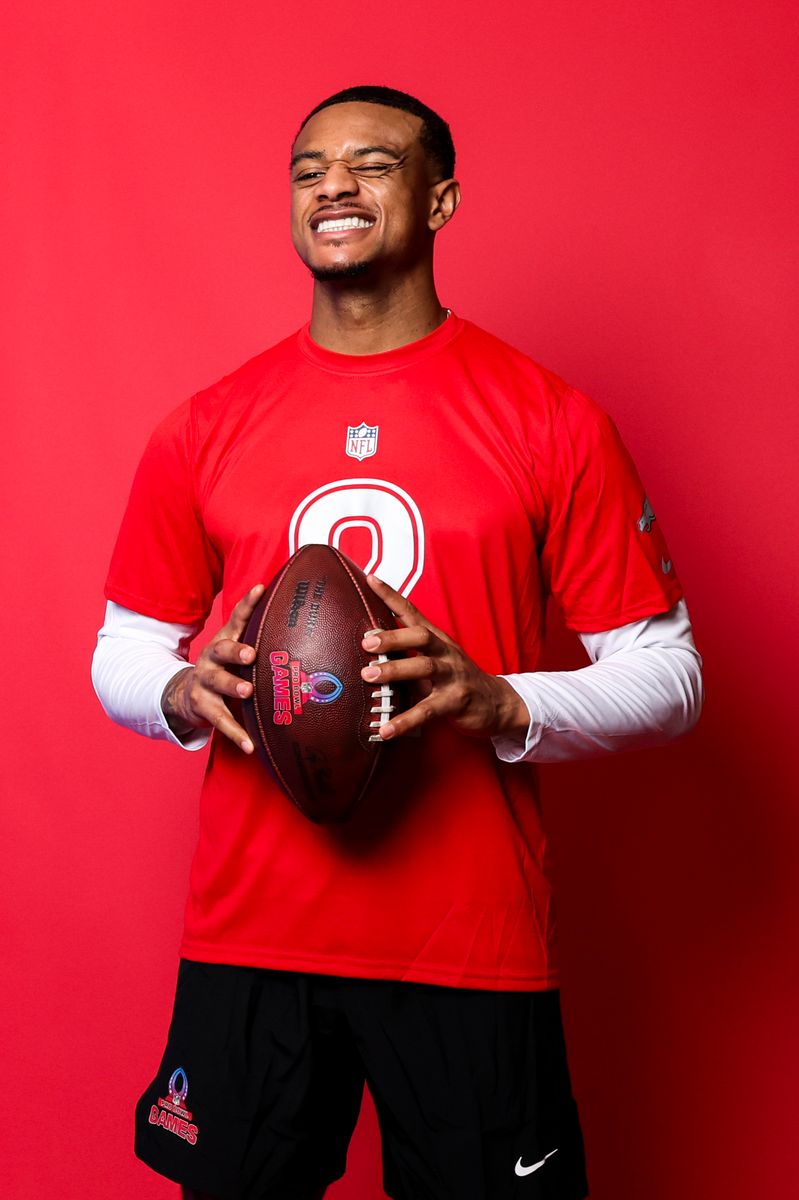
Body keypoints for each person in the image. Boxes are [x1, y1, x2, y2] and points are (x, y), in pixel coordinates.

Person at [92, 85, 703, 1200]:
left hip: (469, 942)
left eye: (372, 163)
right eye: (308, 168)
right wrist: (184, 691)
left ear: (442, 199)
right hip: (251, 937)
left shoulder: (549, 419)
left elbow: (671, 677)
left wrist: (500, 701)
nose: (333, 185)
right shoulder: (206, 423)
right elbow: (120, 648)